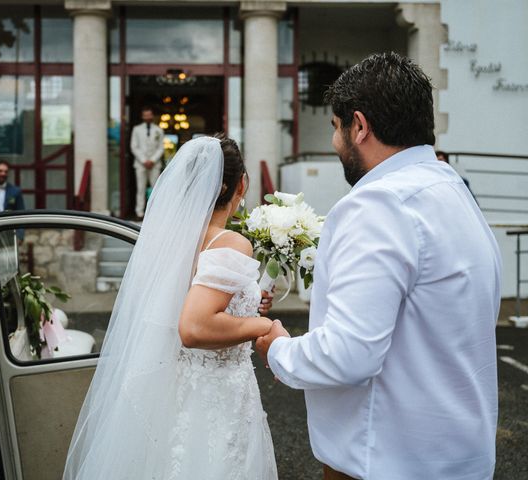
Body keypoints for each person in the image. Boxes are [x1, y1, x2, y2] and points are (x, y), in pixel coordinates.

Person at [257, 52, 502, 480]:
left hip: (385, 459)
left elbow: (350, 354)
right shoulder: (453, 189)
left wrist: (277, 348)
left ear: (360, 125)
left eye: (336, 129)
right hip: (459, 456)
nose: (336, 144)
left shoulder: (378, 204)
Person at [64, 135, 278, 479]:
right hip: (216, 394)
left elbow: (188, 305)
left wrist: (249, 308)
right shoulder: (232, 243)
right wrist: (263, 327)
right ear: (240, 185)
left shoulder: (172, 243)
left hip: (177, 390)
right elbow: (194, 327)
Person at [130, 106, 164, 219]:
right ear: (142, 117)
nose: (147, 117)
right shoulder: (137, 129)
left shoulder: (159, 130)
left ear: (152, 116)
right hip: (140, 164)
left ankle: (155, 212)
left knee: (155, 189)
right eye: (145, 115)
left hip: (155, 165)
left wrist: (152, 160)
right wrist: (144, 161)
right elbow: (134, 146)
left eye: (149, 115)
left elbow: (161, 148)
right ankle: (139, 212)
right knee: (140, 188)